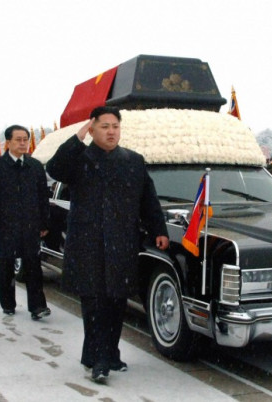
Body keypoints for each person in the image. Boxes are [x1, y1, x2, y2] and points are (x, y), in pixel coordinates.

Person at [46, 106, 168, 384]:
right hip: (88, 244)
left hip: (121, 243)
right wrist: (76, 139)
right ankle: (99, 360)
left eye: (115, 126)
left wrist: (158, 229)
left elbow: (148, 199)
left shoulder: (133, 161)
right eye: (104, 126)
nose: (111, 131)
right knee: (94, 304)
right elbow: (54, 169)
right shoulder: (79, 158)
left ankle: (108, 353)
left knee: (116, 303)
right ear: (92, 129)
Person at [0, 125, 51, 319]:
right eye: (18, 139)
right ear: (8, 142)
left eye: (25, 139)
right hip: (5, 225)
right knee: (6, 266)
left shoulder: (35, 166)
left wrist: (44, 223)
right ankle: (8, 304)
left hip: (30, 225)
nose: (22, 143)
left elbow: (42, 197)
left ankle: (37, 307)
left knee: (33, 266)